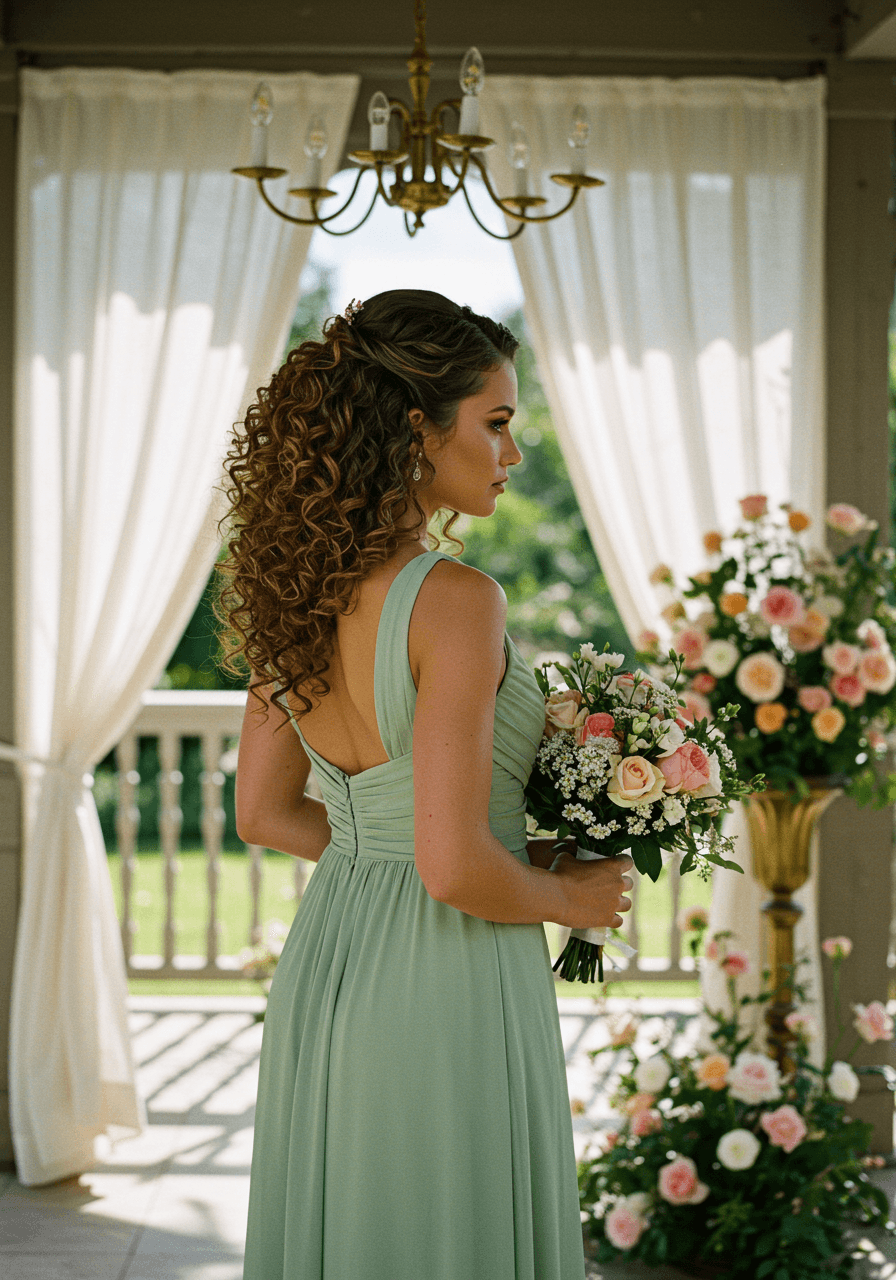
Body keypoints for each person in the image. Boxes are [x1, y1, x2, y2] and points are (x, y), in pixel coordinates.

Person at [219, 289, 633, 1280]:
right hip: (444, 974)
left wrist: (465, 854)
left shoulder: (297, 585)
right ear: (418, 429)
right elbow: (449, 869)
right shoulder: (455, 600)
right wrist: (565, 891)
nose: (511, 452)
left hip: (332, 959)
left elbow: (263, 812)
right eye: (495, 423)